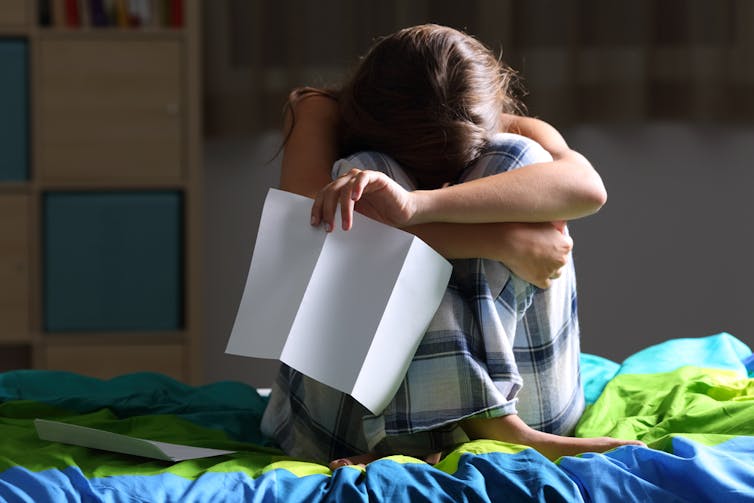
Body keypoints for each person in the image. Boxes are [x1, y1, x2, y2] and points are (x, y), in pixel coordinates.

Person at [260, 24, 642, 469]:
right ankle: (470, 430)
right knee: (365, 173)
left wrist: (418, 206)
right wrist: (501, 239)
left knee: (519, 158)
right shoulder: (320, 111)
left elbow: (588, 190)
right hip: (355, 422)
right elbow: (307, 234)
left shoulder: (506, 127)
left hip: (527, 402)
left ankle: (473, 428)